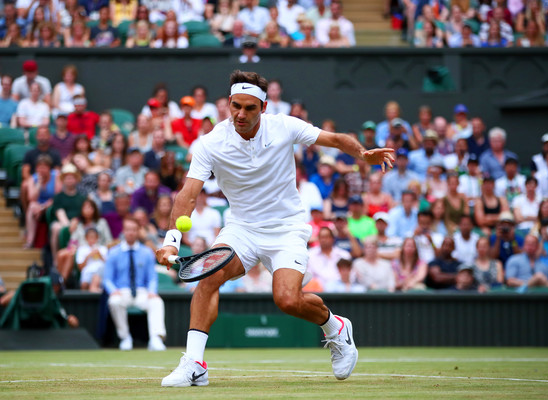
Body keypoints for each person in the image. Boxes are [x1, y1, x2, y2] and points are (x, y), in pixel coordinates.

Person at [156, 70, 394, 387]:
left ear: (263, 108)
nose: (241, 114)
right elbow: (187, 194)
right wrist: (172, 240)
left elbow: (334, 140)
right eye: (235, 106)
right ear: (228, 103)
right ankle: (195, 363)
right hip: (241, 228)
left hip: (286, 229)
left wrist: (362, 154)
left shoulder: (284, 126)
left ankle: (335, 326)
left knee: (287, 300)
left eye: (250, 108)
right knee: (209, 276)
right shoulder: (210, 144)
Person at [104, 217, 167, 351]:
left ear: (138, 231)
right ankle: (125, 338)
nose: (131, 233)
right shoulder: (113, 253)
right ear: (123, 231)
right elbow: (107, 279)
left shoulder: (147, 253)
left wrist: (152, 291)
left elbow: (152, 277)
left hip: (141, 292)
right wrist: (113, 290)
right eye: (128, 230)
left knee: (157, 302)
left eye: (134, 230)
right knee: (114, 301)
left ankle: (156, 339)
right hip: (122, 292)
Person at [24, 154, 60, 248]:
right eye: (40, 168)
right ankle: (30, 241)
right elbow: (31, 198)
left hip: (51, 206)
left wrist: (43, 207)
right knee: (32, 206)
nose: (42, 170)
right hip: (37, 207)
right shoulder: (33, 178)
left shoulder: (56, 176)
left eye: (44, 167)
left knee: (37, 207)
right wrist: (39, 184)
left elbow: (57, 196)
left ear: (49, 168)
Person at [76, 227, 108, 292]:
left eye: (94, 237)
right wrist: (88, 256)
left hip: (101, 273)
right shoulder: (81, 249)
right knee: (84, 285)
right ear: (86, 238)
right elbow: (80, 267)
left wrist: (100, 256)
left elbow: (108, 265)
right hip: (86, 274)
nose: (92, 239)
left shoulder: (103, 249)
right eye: (90, 237)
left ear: (97, 237)